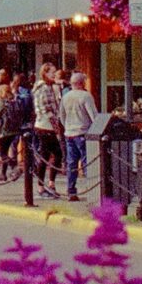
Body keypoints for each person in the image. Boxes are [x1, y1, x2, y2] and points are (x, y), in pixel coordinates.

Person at [59, 70, 96, 201]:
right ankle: (92, 189)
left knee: (71, 163)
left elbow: (62, 116)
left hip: (69, 133)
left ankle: (71, 191)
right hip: (83, 132)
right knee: (87, 162)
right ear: (82, 83)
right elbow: (93, 116)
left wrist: (67, 127)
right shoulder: (86, 96)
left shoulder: (66, 96)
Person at [31, 64, 65, 197]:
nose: (54, 75)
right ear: (44, 73)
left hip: (45, 125)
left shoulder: (50, 87)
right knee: (54, 154)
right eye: (52, 73)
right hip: (45, 125)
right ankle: (44, 185)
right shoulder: (43, 88)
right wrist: (56, 127)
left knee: (48, 155)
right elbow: (46, 109)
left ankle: (48, 184)